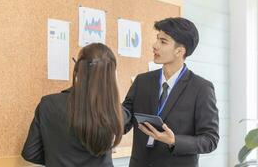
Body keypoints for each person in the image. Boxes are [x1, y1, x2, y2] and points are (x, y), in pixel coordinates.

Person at [123, 17, 219, 167]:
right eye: (157, 39)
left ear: (179, 51)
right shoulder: (142, 81)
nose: (155, 46)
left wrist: (174, 140)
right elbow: (124, 120)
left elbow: (210, 140)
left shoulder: (201, 88)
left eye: (163, 41)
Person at [22, 43, 131, 167]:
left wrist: (55, 159)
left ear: (78, 69)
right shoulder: (113, 110)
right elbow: (128, 114)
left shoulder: (48, 104)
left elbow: (30, 153)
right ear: (111, 76)